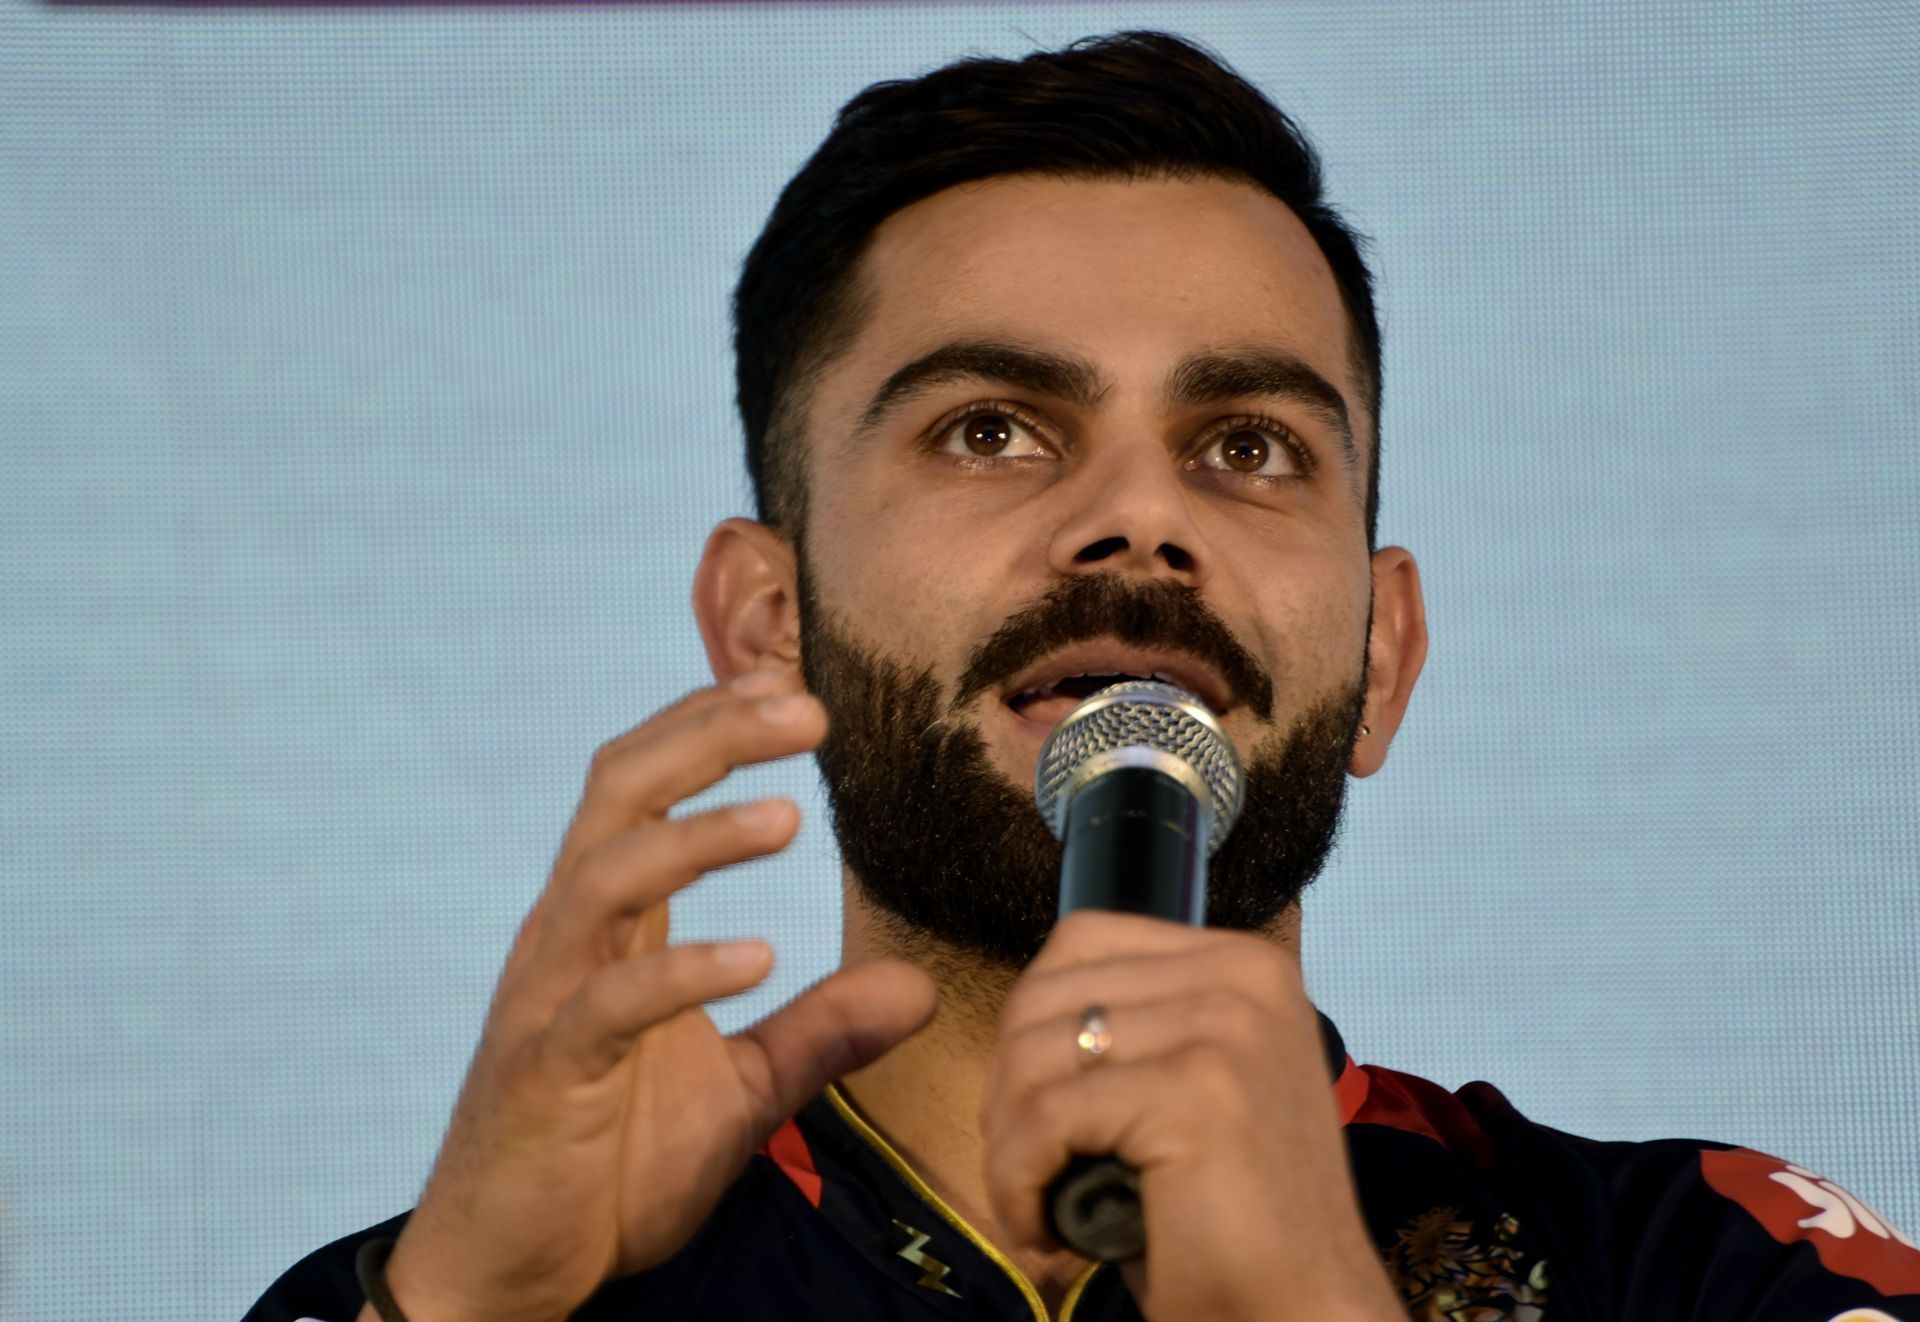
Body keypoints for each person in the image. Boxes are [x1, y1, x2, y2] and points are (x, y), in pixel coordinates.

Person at [245, 31, 1920, 1322]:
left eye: (1250, 444)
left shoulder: (1710, 1264)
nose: (1138, 518)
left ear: (1383, 654)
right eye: (992, 429)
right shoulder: (459, 1290)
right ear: (771, 621)